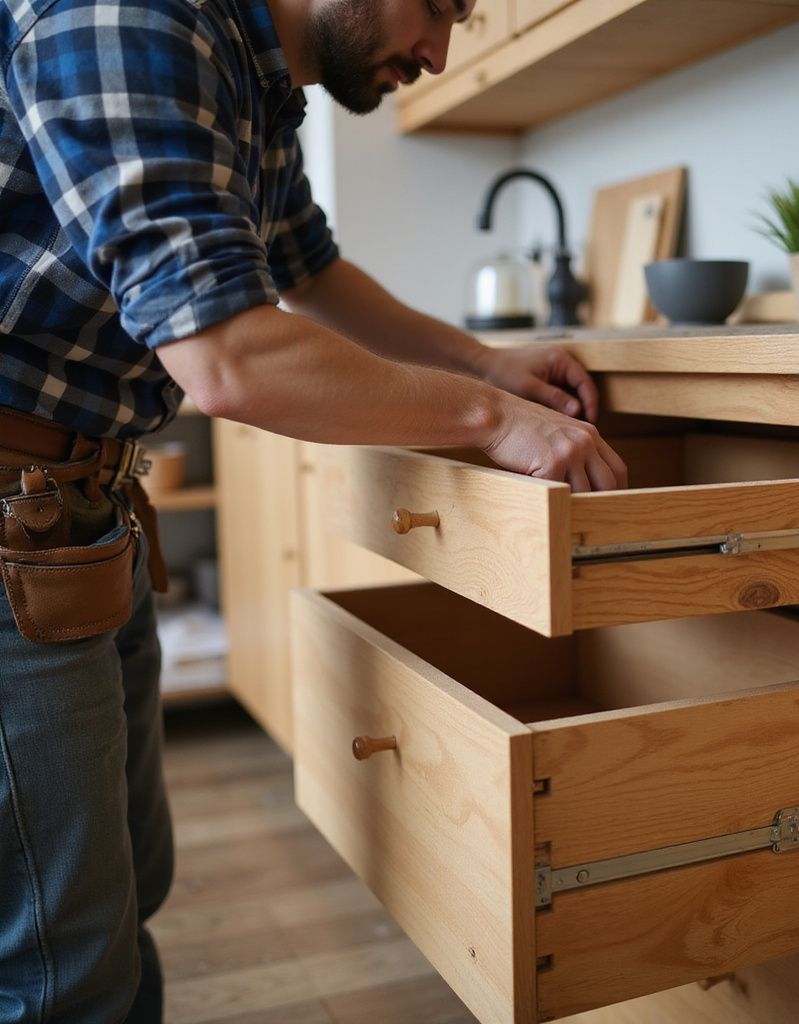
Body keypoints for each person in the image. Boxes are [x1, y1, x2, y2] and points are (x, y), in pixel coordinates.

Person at [0, 0, 627, 1019]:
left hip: (76, 509)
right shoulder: (130, 14)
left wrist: (485, 363)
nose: (439, 49)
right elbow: (230, 359)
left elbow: (310, 272)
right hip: (14, 517)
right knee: (60, 963)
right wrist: (486, 417)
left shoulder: (257, 79)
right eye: (438, 6)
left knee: (120, 888)